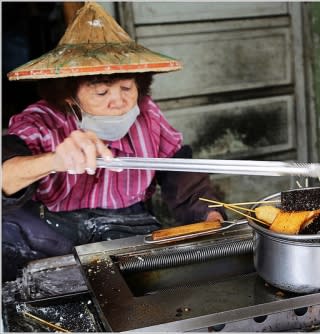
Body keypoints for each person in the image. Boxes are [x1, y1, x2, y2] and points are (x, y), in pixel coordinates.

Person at [1, 2, 225, 282]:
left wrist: (208, 212)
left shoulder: (148, 115)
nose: (118, 101)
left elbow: (178, 169)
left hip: (127, 223)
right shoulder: (40, 121)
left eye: (126, 88)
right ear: (70, 95)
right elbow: (5, 177)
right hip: (51, 227)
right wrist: (53, 160)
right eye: (102, 92)